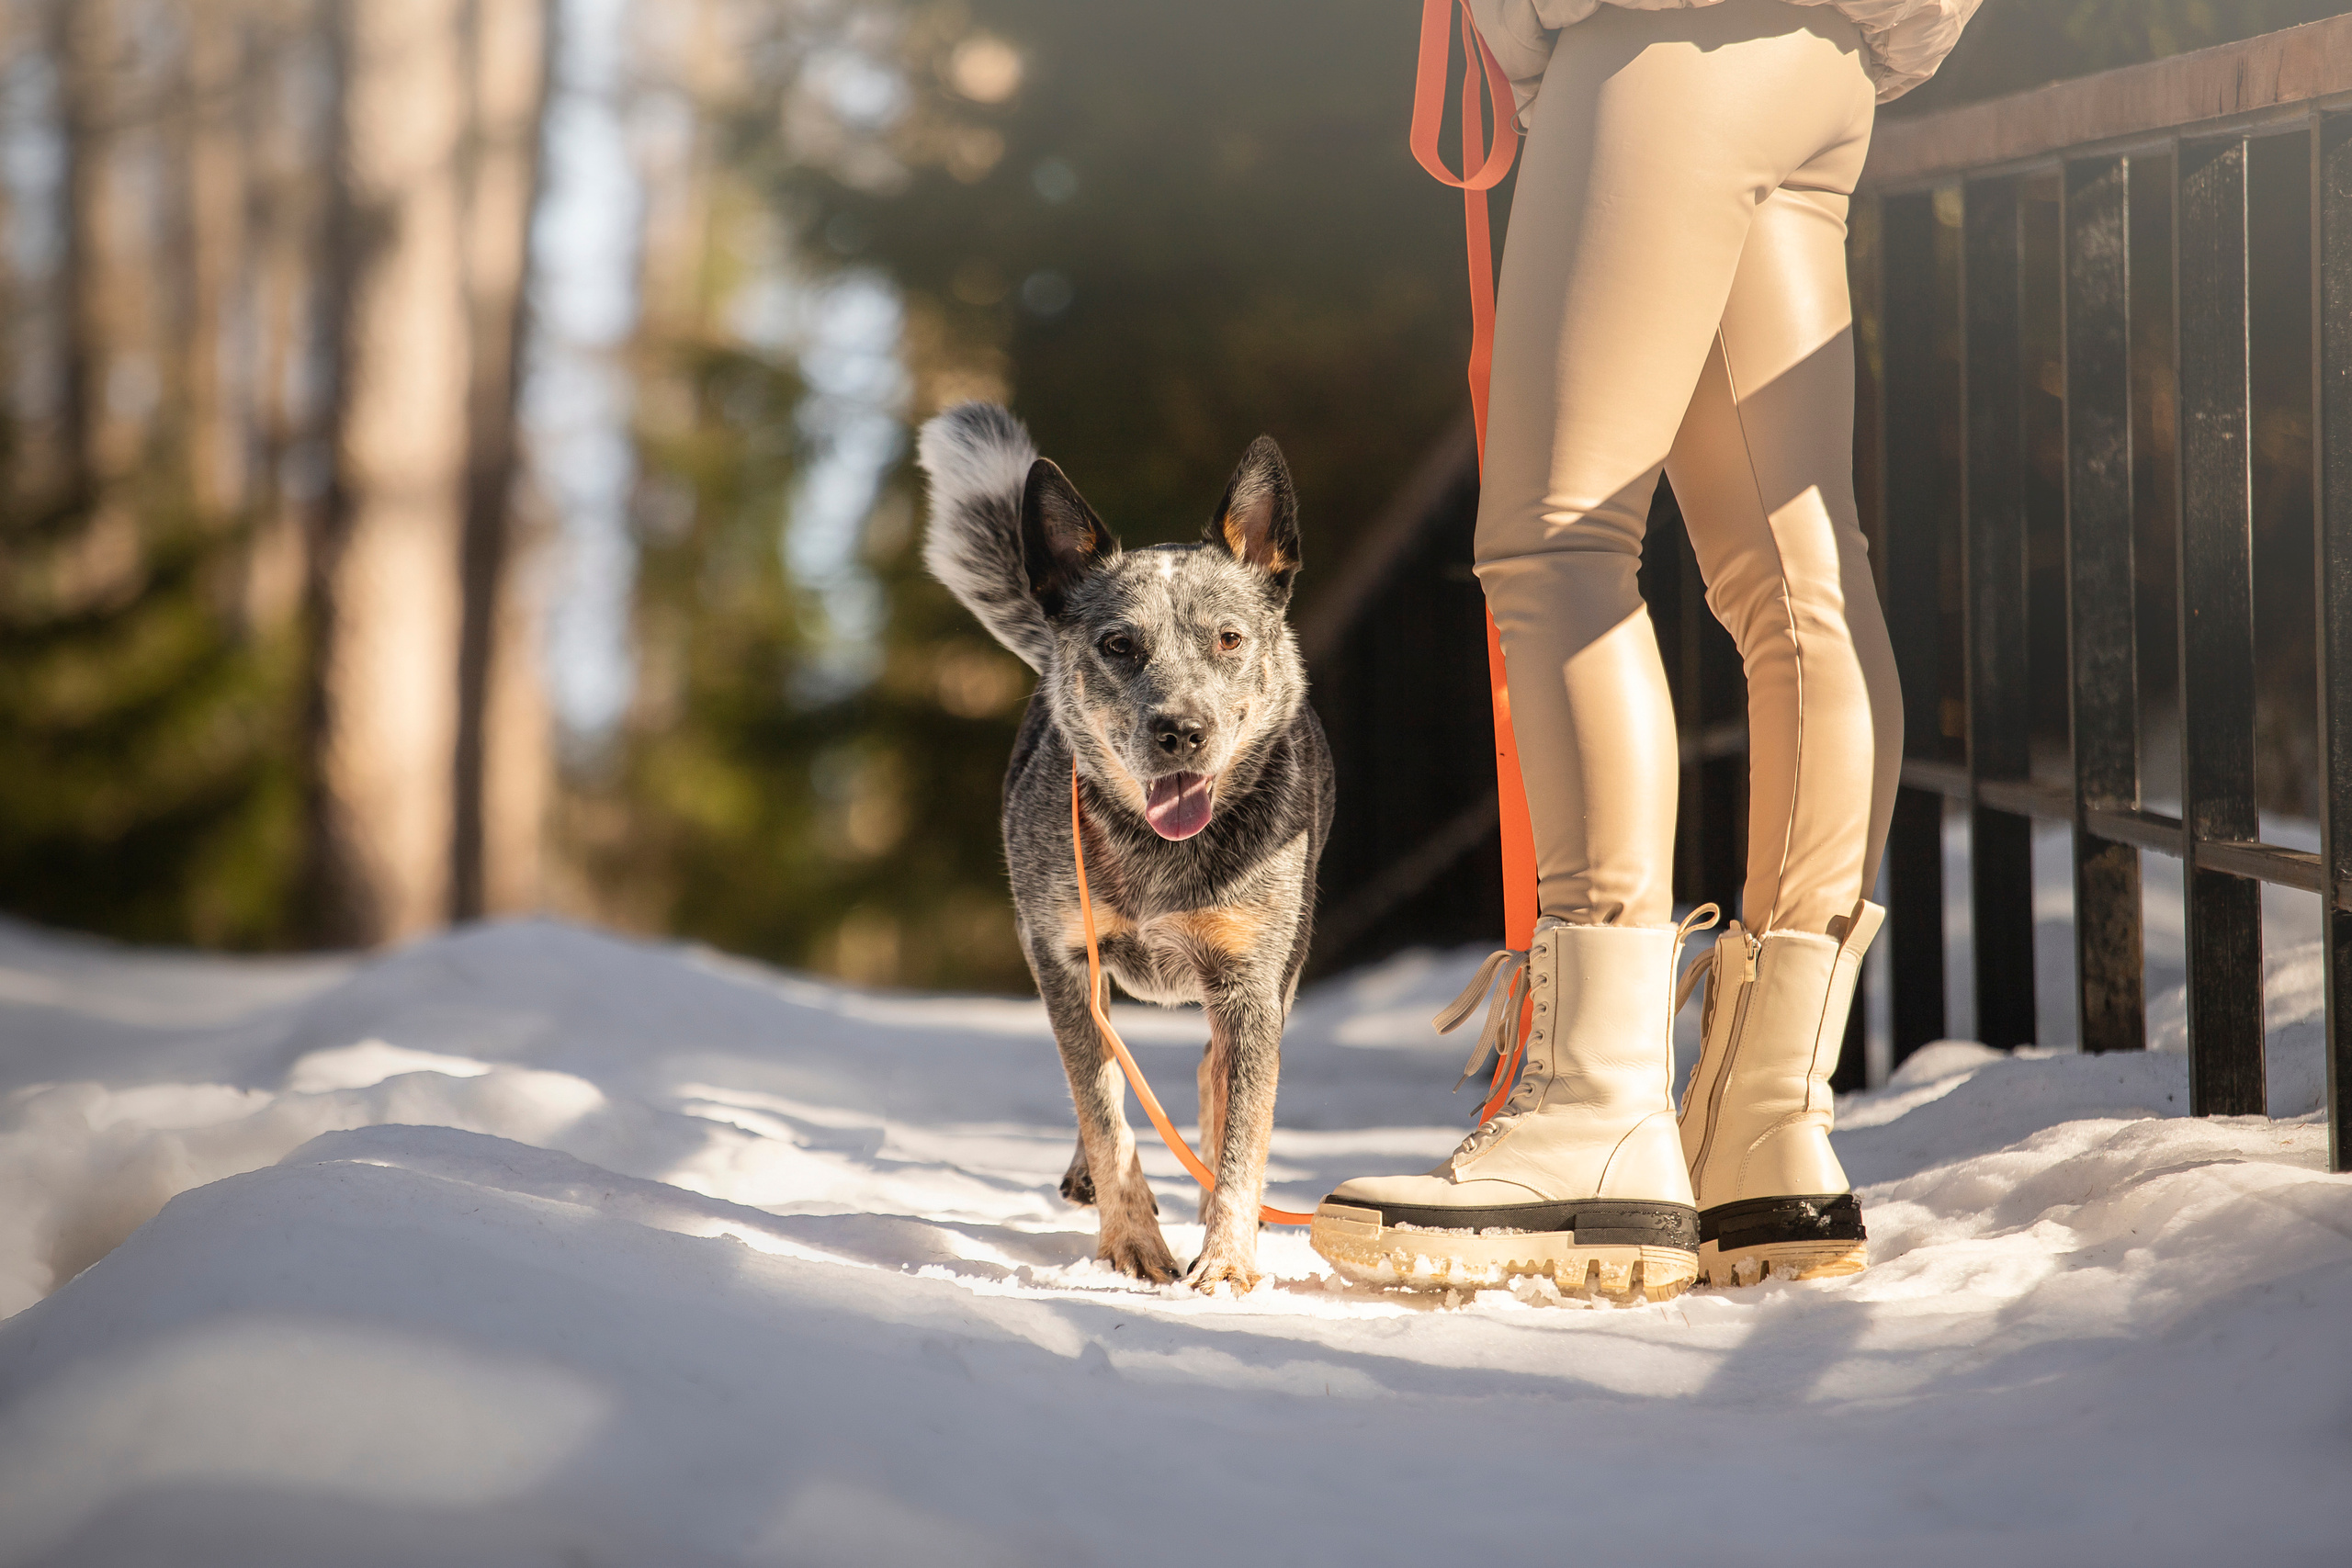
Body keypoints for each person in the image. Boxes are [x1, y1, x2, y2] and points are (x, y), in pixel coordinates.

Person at [1311, 0, 1980, 1296]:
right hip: (1830, 56)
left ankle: (1590, 1109)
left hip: (1657, 36)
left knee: (1556, 542)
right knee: (1799, 579)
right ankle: (1764, 1126)